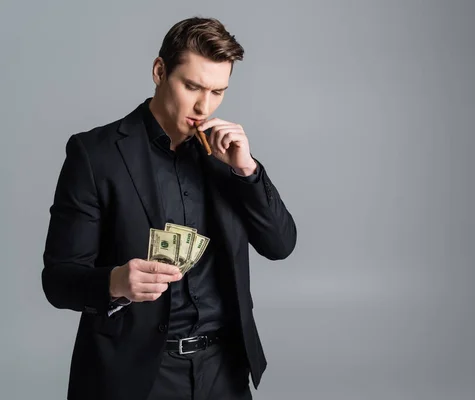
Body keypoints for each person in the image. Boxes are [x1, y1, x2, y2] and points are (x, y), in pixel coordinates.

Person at [41, 16, 297, 400]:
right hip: (137, 375)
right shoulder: (94, 154)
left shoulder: (227, 157)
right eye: (192, 86)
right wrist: (114, 282)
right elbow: (58, 281)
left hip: (223, 370)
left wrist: (248, 171)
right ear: (160, 71)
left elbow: (280, 245)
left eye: (217, 91)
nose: (203, 105)